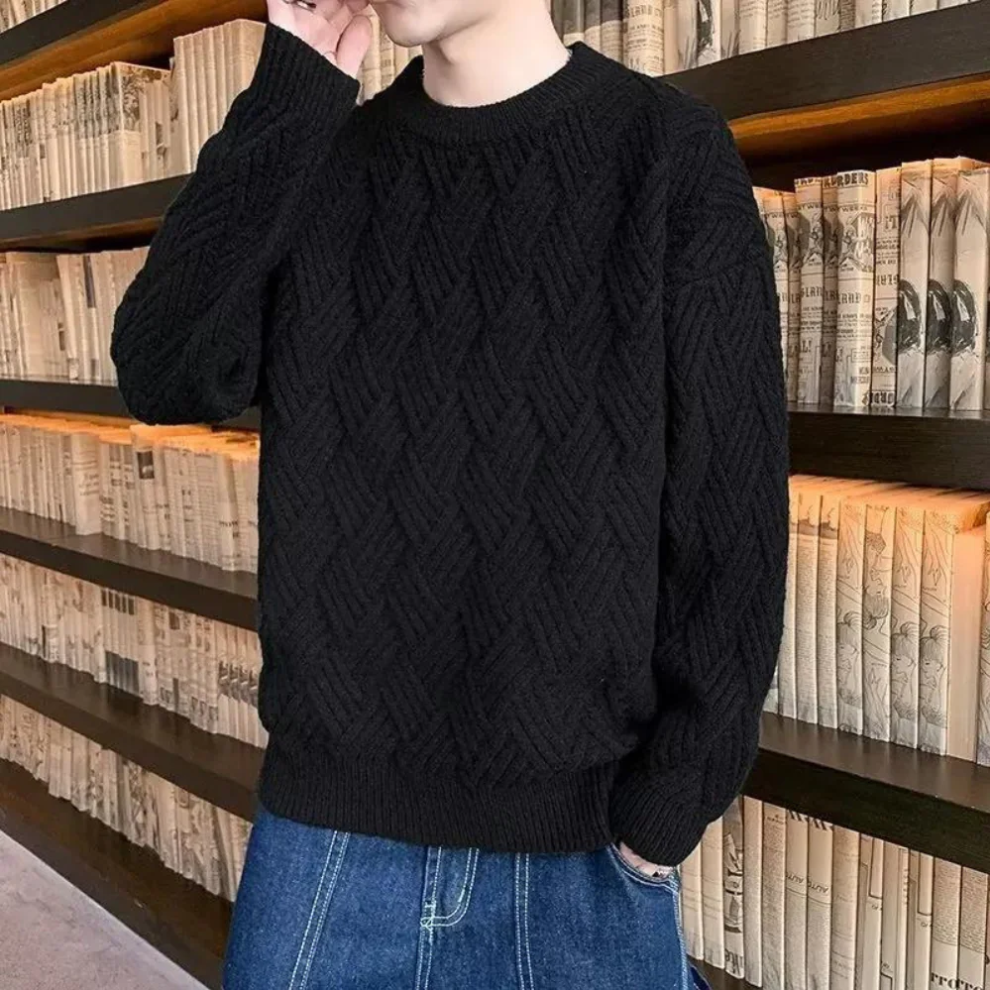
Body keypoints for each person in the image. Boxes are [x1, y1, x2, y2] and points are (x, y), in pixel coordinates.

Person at [110, 0, 788, 986]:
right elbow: (164, 371)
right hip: (327, 837)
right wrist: (296, 82)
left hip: (583, 848)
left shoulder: (667, 152)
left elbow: (732, 511)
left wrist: (668, 809)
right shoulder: (324, 156)